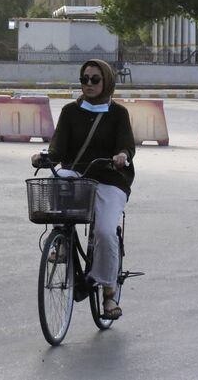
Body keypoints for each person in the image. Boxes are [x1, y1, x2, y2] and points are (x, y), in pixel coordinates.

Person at [31, 59, 135, 319]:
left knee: (105, 231)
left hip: (110, 178)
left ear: (107, 82)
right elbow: (58, 149)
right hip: (78, 174)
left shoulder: (118, 114)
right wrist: (45, 158)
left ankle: (108, 294)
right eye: (84, 79)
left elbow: (126, 146)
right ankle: (62, 239)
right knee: (60, 176)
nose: (88, 84)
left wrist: (122, 155)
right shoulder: (70, 111)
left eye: (95, 79)